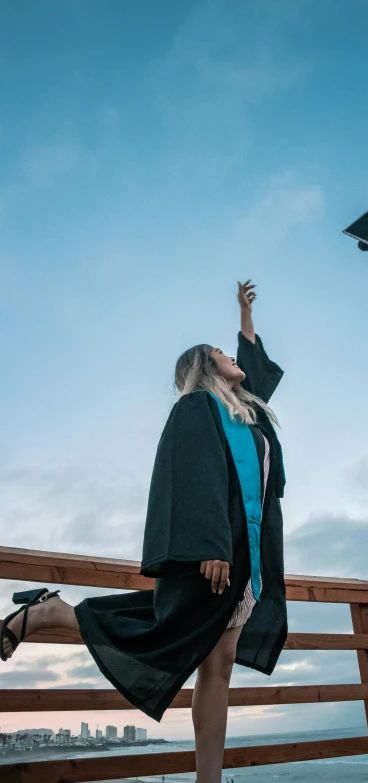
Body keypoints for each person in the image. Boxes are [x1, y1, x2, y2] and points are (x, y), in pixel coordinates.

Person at [1, 280, 288, 783]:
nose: (232, 355)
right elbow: (192, 475)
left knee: (218, 665)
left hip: (250, 558)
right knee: (160, 632)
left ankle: (209, 779)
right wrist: (210, 544)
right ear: (204, 367)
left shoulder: (247, 414)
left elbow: (256, 371)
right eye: (221, 352)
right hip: (215, 552)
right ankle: (51, 611)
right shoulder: (198, 408)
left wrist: (244, 316)